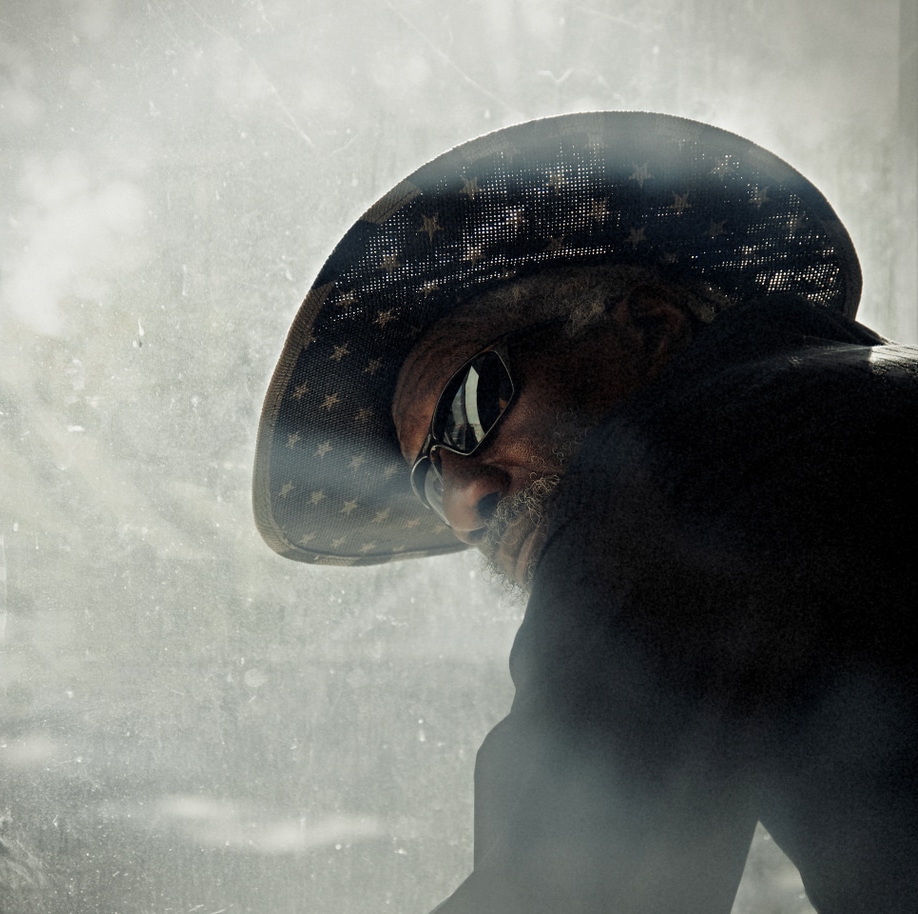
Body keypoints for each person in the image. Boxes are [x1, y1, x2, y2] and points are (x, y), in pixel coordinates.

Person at [252, 112, 918, 913]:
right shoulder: (848, 406)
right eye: (428, 479)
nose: (467, 500)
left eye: (472, 403)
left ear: (649, 328)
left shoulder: (664, 479)